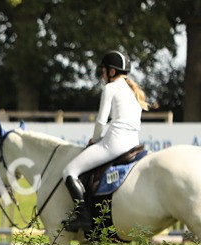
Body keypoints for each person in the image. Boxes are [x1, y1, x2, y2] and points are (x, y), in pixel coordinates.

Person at [60, 51, 150, 232]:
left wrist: (95, 140)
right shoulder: (132, 91)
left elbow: (101, 121)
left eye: (104, 70)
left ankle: (83, 218)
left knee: (69, 171)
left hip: (114, 143)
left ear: (111, 72)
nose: (102, 74)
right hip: (133, 143)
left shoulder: (111, 88)